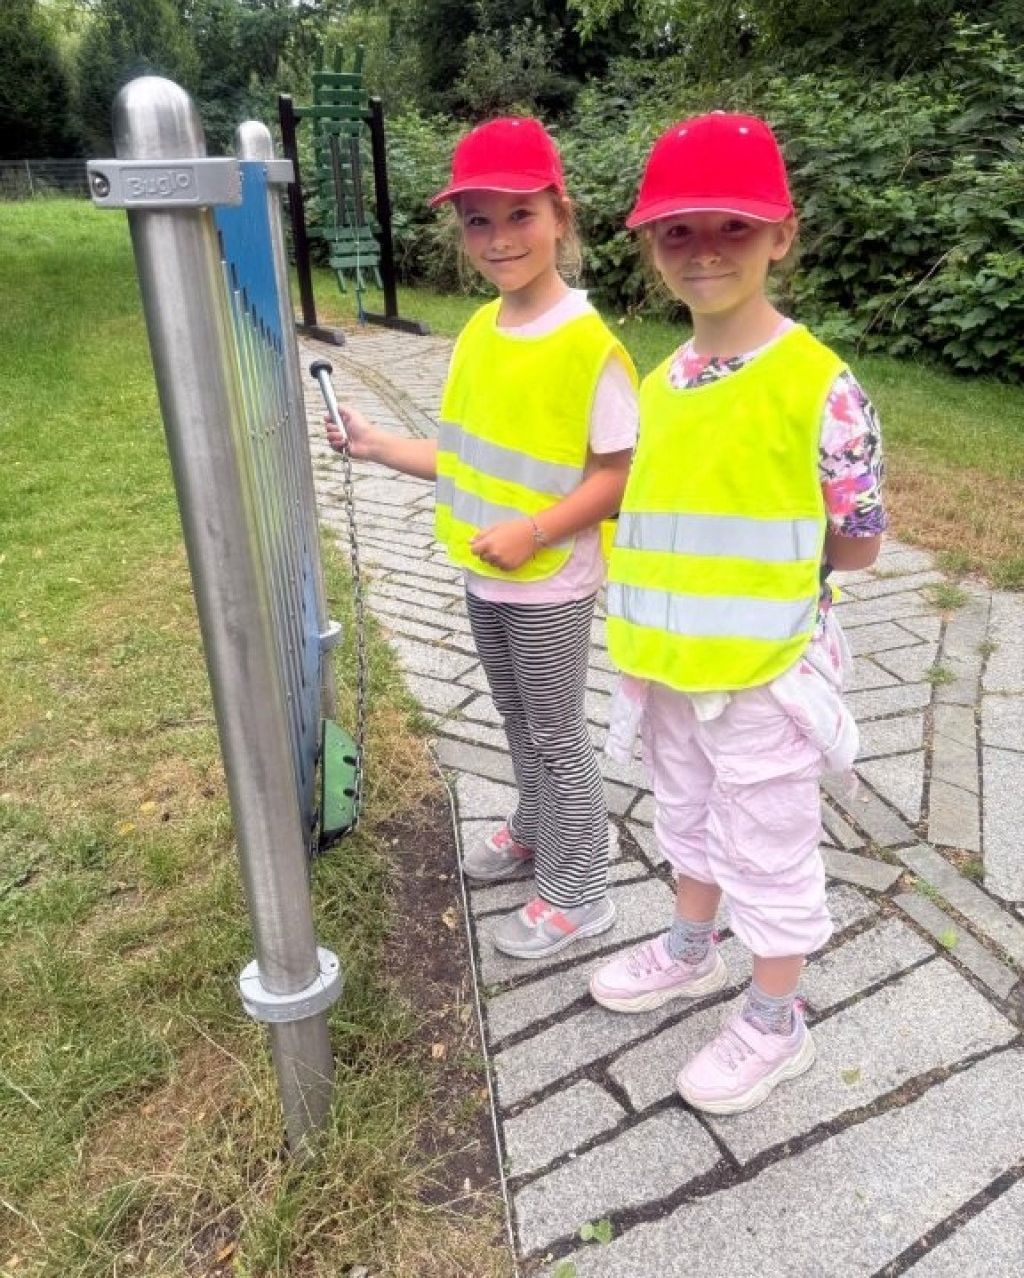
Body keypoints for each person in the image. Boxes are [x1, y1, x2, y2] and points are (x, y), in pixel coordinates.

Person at [590, 112, 887, 1114]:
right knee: (684, 814)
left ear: (780, 236)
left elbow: (858, 538)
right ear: (651, 247)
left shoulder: (818, 386)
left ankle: (774, 1017)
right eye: (678, 230)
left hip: (763, 672)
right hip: (668, 666)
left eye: (733, 226)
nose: (705, 249)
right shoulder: (657, 385)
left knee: (767, 842)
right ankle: (691, 945)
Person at [325, 117, 639, 959]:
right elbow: (461, 457)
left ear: (561, 215)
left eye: (520, 214)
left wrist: (536, 529)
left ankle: (582, 888)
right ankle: (535, 826)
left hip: (549, 580)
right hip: (484, 573)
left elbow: (620, 474)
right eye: (478, 220)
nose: (499, 238)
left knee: (557, 733)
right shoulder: (478, 330)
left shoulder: (589, 347)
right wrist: (376, 444)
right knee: (513, 714)